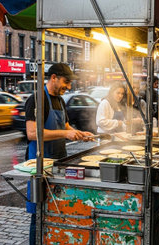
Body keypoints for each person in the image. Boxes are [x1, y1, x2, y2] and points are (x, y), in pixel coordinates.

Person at [25, 63, 93, 245]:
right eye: (66, 82)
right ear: (53, 77)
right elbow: (32, 133)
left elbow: (65, 126)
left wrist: (79, 133)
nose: (69, 87)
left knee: (57, 211)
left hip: (59, 165)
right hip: (40, 167)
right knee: (38, 215)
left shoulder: (61, 100)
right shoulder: (37, 99)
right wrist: (65, 134)